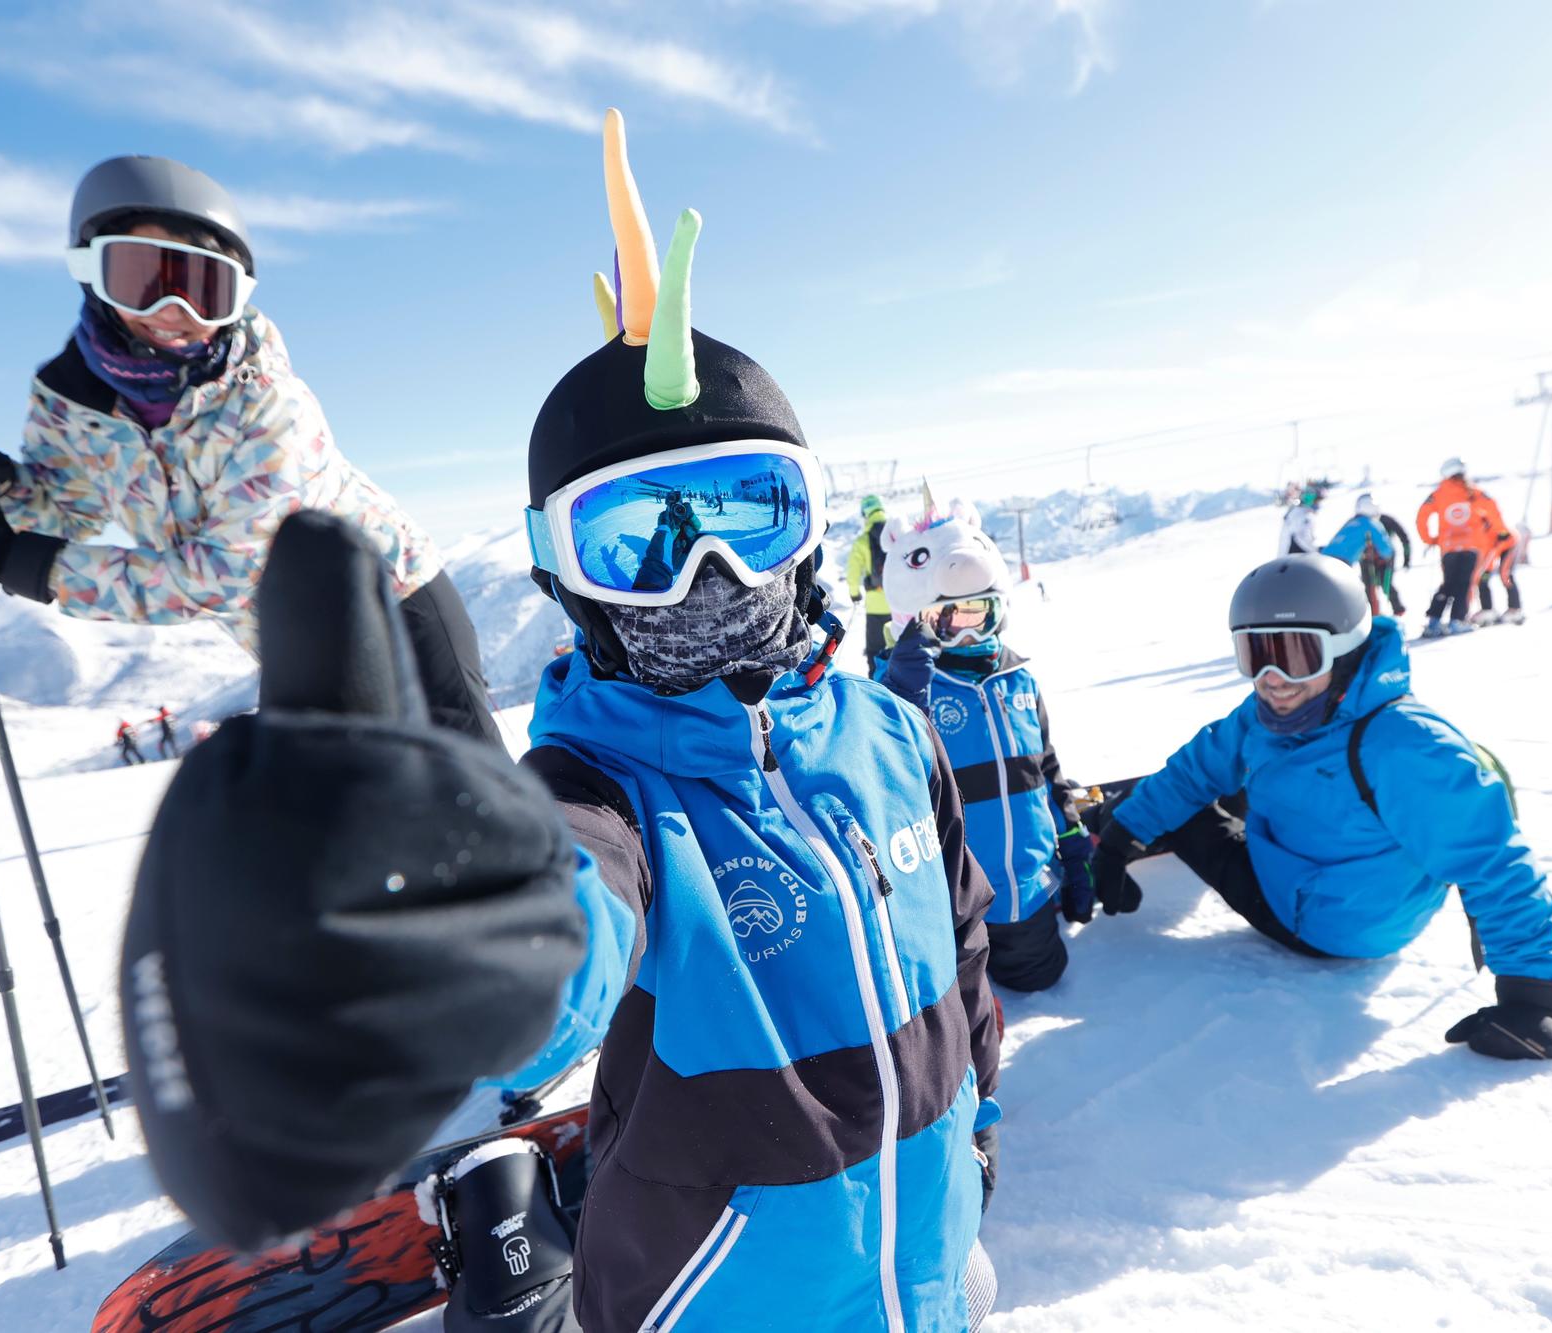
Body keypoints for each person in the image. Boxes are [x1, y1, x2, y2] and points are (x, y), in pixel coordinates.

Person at [116, 109, 1001, 1332]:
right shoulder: (605, 792)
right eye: (638, 539)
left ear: (805, 531)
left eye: (746, 515)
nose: (706, 579)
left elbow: (959, 944)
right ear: (563, 573)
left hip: (926, 1276)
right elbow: (568, 904)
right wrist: (432, 965)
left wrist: (977, 1134)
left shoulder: (891, 736)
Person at [0, 155, 501, 748]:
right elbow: (64, 510)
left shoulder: (268, 404)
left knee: (481, 804)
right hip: (289, 640)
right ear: (89, 271)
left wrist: (4, 559)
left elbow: (223, 577)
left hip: (395, 604)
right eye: (140, 275)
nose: (173, 307)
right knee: (331, 834)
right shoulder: (69, 399)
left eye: (202, 287)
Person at [1086, 554, 1552, 1061]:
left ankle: (1113, 819)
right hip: (1339, 883)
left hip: (1323, 925)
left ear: (1344, 651)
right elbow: (1198, 767)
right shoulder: (1272, 713)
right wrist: (1123, 839)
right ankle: (1128, 820)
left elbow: (1492, 860)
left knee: (1191, 806)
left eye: (1296, 656)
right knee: (1224, 773)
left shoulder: (1406, 746)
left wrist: (1534, 997)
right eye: (1256, 655)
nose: (1272, 678)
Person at [873, 502, 1092, 993]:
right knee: (953, 1012)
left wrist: (1074, 842)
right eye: (948, 619)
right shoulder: (902, 688)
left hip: (1026, 889)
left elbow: (1047, 769)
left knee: (1040, 978)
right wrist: (902, 692)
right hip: (947, 900)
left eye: (980, 613)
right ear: (917, 620)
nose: (968, 631)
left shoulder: (1020, 681)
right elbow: (884, 776)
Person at [1416, 458, 1503, 637]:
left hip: (1448, 546)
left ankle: (1433, 620)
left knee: (1447, 584)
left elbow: (1421, 517)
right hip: (1471, 546)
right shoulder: (1474, 492)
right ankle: (1457, 620)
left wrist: (1430, 539)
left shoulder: (1438, 494)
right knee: (1464, 584)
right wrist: (1498, 533)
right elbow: (1493, 512)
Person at [1319, 494, 1396, 612]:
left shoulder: (1352, 522)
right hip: (1340, 563)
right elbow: (1386, 550)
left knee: (1327, 594)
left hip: (1323, 559)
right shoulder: (1371, 524)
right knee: (1342, 595)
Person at [845, 494, 895, 665]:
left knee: (876, 652)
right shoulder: (897, 536)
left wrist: (854, 593)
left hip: (876, 607)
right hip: (900, 605)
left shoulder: (862, 541)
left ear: (865, 515)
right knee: (900, 649)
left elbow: (853, 571)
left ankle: (877, 686)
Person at [1278, 488, 1319, 556]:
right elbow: (1301, 537)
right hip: (1297, 555)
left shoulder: (1294, 512)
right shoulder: (1304, 515)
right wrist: (1315, 551)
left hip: (1287, 554)